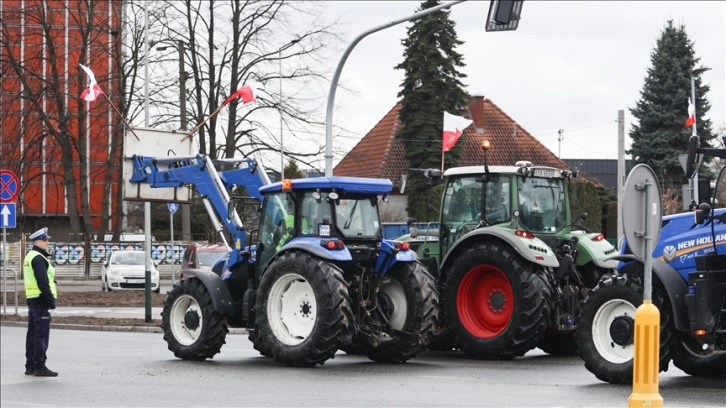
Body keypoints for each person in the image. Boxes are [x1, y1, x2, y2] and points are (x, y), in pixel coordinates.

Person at [23, 227, 58, 377]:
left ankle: (30, 365)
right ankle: (39, 366)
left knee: (32, 333)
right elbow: (43, 282)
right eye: (45, 240)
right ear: (37, 241)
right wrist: (50, 300)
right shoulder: (38, 258)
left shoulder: (30, 256)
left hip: (33, 298)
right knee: (41, 334)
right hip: (41, 299)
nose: (47, 242)